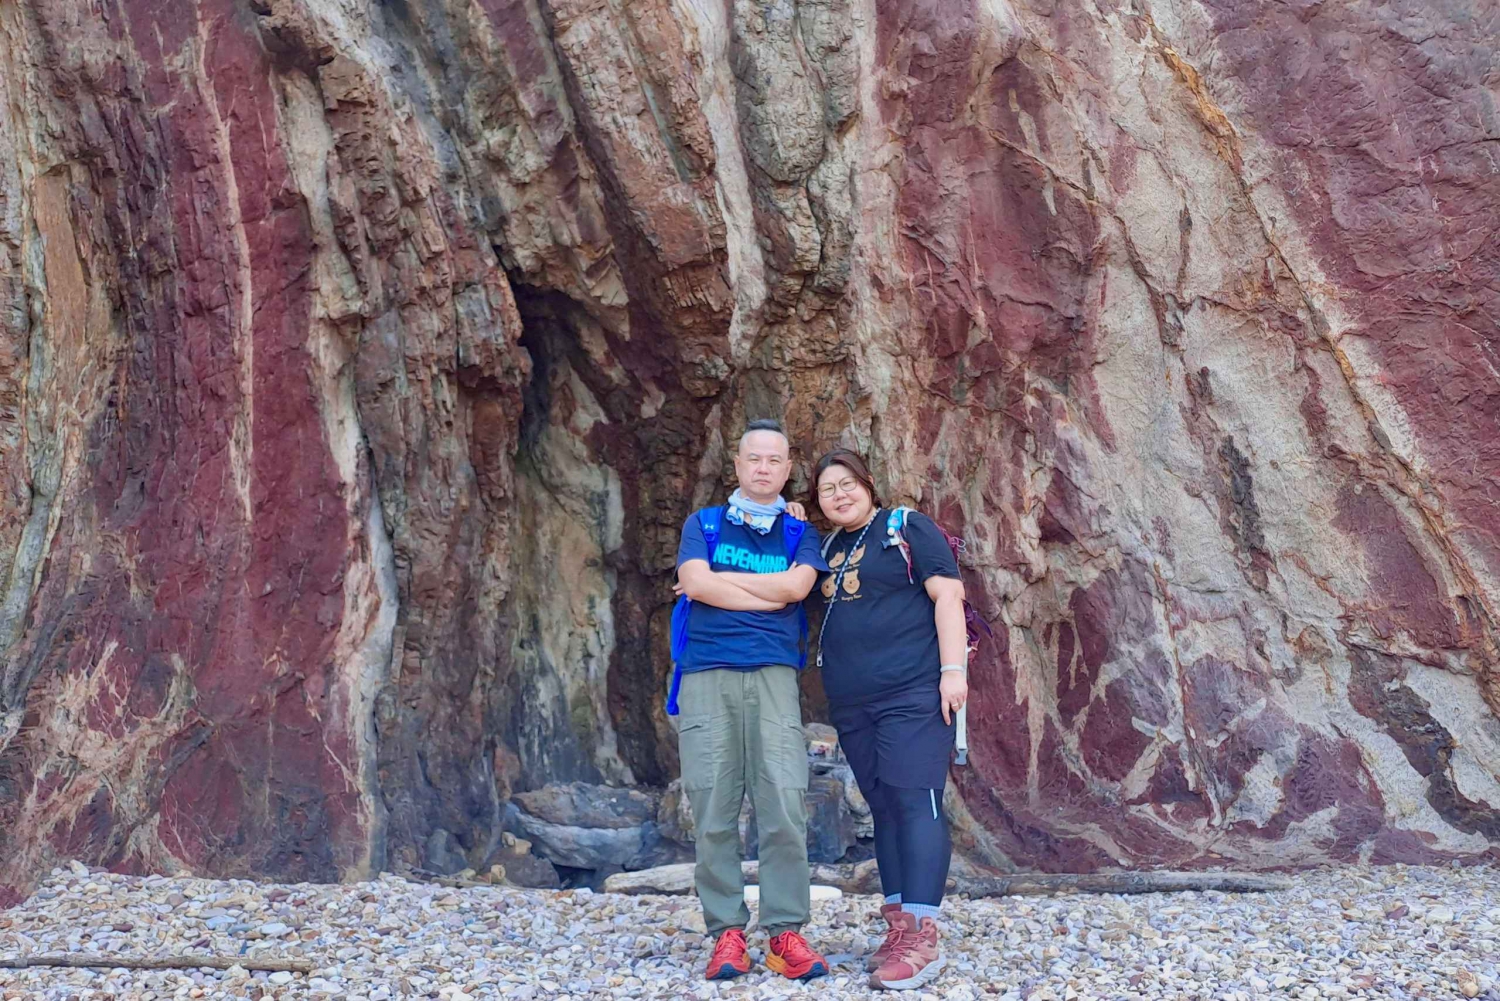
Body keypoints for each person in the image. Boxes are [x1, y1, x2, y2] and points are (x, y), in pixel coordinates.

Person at [669, 419, 831, 982]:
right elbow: (695, 582)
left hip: (772, 674)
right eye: (753, 458)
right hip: (706, 673)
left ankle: (785, 931)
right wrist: (768, 595)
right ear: (736, 464)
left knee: (783, 800)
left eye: (774, 460)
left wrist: (726, 585)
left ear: (788, 470)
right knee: (712, 803)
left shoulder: (798, 532)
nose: (763, 468)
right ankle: (727, 933)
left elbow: (797, 588)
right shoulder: (704, 524)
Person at [809, 447, 968, 991]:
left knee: (914, 799)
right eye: (827, 489)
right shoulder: (828, 547)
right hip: (854, 702)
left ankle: (922, 936)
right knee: (884, 807)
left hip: (912, 691)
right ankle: (899, 924)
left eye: (847, 483)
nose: (840, 495)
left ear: (868, 484)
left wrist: (952, 672)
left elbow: (947, 594)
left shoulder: (905, 527)